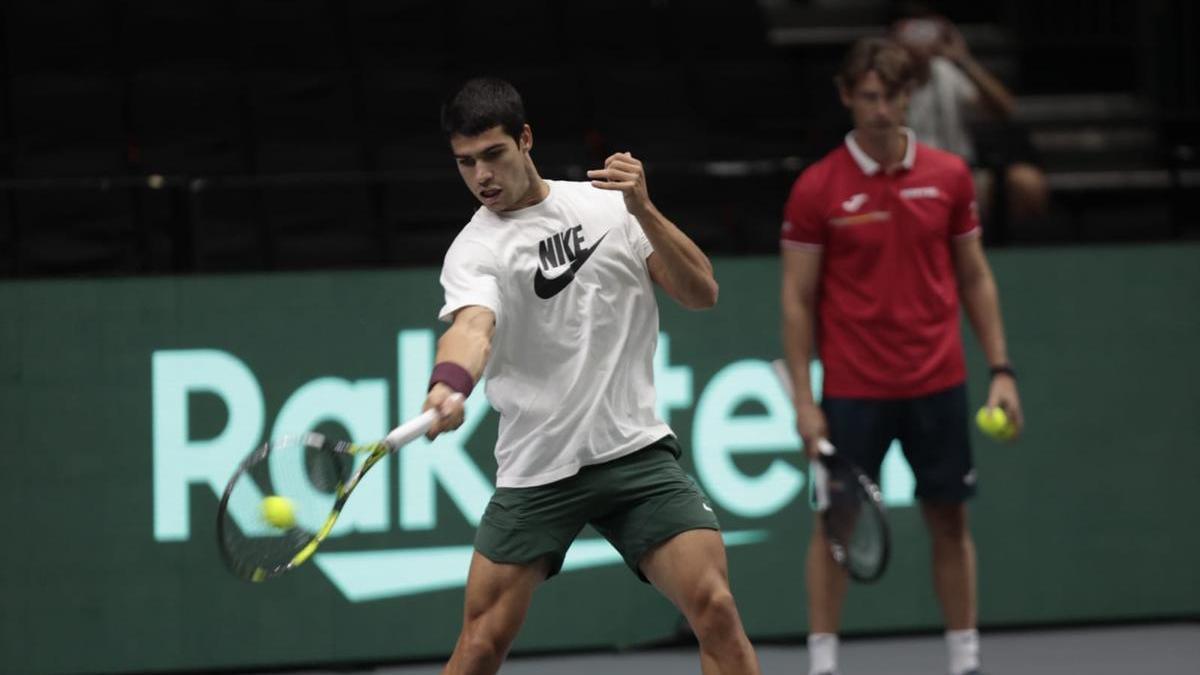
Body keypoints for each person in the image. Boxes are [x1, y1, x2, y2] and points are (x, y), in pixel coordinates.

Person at [423, 77, 762, 675]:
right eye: (465, 162)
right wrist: (450, 383)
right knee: (479, 646)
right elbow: (472, 327)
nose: (481, 177)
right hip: (539, 467)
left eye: (493, 155)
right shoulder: (475, 250)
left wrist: (644, 208)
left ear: (526, 139)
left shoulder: (610, 206)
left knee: (716, 608)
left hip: (633, 453)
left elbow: (701, 292)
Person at [779, 38, 1024, 675]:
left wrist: (1001, 371)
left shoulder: (948, 176)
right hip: (855, 389)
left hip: (937, 380)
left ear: (908, 94)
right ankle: (823, 663)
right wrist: (805, 404)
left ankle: (965, 660)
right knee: (835, 529)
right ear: (846, 96)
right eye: (868, 97)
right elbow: (798, 301)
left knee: (949, 522)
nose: (882, 110)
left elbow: (975, 278)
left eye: (892, 96)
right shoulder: (816, 188)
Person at [893, 11, 1049, 230]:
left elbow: (1005, 109)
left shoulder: (947, 73)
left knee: (1027, 183)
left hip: (960, 173)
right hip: (906, 175)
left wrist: (962, 59)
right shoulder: (888, 83)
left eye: (925, 31)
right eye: (913, 31)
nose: (920, 39)